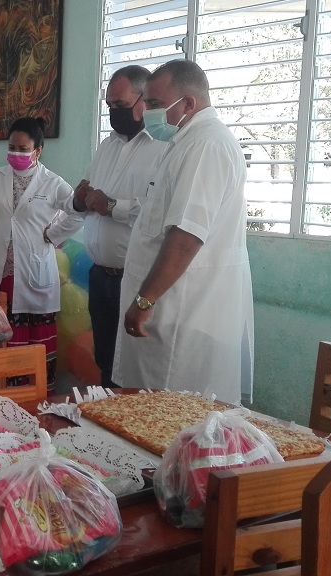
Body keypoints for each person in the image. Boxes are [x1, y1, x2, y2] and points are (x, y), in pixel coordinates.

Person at [113, 59, 255, 405]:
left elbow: (186, 235)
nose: (147, 111)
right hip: (169, 311)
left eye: (156, 104)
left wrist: (145, 300)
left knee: (170, 417)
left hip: (180, 315)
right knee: (149, 413)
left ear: (188, 103)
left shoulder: (206, 145)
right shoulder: (185, 143)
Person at [0, 117, 84, 391]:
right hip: (1, 274)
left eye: (23, 148)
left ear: (38, 150)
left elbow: (79, 212)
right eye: (12, 147)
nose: (16, 153)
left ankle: (36, 399)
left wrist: (53, 236)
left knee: (35, 342)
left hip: (35, 274)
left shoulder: (52, 183)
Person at [69, 65, 168, 387]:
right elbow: (87, 197)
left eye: (121, 106)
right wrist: (80, 200)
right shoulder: (107, 146)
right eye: (110, 106)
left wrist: (113, 207)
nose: (114, 113)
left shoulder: (164, 147)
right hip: (101, 276)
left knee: (137, 367)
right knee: (107, 363)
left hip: (136, 278)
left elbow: (162, 211)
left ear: (145, 100)